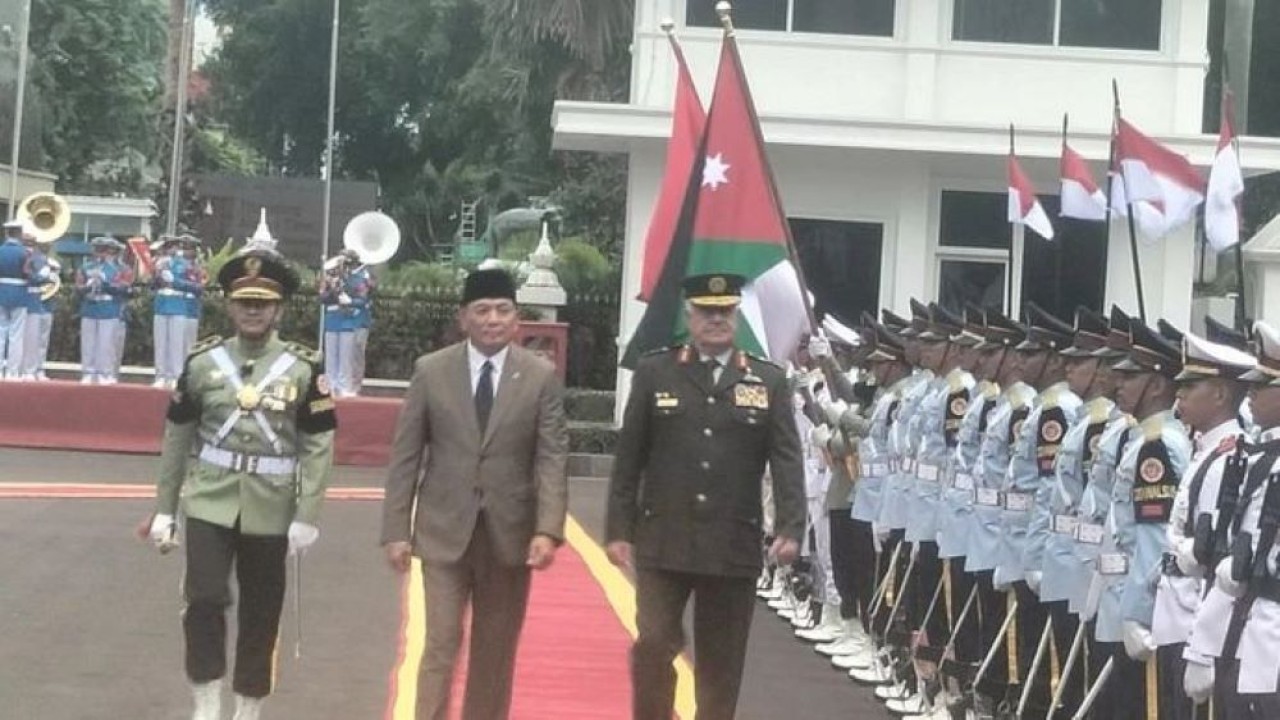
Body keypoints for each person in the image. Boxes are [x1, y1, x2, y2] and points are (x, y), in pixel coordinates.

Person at [139, 249, 336, 720]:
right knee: (204, 598)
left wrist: (307, 515)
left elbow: (318, 444)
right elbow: (177, 436)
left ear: (279, 308)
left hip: (272, 508)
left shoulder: (305, 367)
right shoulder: (203, 363)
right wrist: (165, 508)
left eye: (263, 303)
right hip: (210, 499)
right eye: (244, 301)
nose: (253, 310)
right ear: (228, 305)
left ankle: (248, 708)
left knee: (262, 613)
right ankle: (206, 702)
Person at [606, 272, 805, 720]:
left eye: (725, 312)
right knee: (654, 643)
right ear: (688, 316)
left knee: (722, 664)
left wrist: (791, 527)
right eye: (706, 312)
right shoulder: (657, 371)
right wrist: (619, 528)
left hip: (731, 543)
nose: (716, 320)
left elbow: (787, 460)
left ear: (736, 315)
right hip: (664, 536)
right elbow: (629, 457)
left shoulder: (767, 380)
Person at [380, 267, 569, 720]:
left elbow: (551, 457)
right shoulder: (431, 371)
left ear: (516, 319)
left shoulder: (540, 376)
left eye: (503, 310)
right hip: (444, 531)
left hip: (509, 535)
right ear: (463, 317)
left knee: (495, 651)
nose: (492, 319)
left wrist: (548, 528)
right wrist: (395, 530)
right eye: (482, 310)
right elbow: (406, 456)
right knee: (440, 644)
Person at [75, 236, 133, 384]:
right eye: (98, 250)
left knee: (106, 343)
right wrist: (89, 285)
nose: (100, 255)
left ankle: (104, 372)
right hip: (90, 306)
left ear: (112, 252)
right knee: (88, 342)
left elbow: (125, 288)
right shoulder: (86, 267)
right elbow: (78, 288)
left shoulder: (121, 269)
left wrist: (105, 283)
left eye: (104, 251)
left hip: (109, 308)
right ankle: (88, 371)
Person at [0, 219, 32, 379]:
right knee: (16, 335)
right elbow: (28, 274)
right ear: (19, 233)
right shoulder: (24, 253)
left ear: (7, 233)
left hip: (1, 292)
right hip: (19, 293)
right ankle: (12, 371)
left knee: (0, 332)